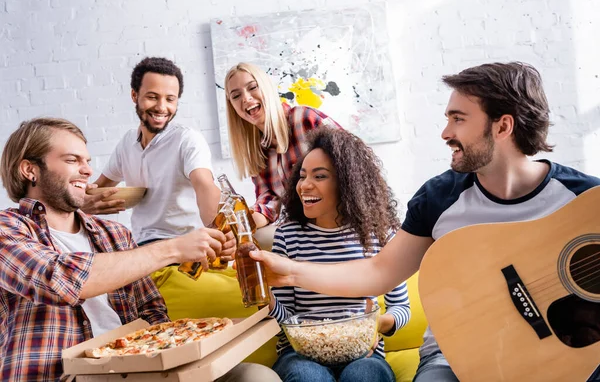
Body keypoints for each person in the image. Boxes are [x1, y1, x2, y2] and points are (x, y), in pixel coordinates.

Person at [248, 62, 600, 381]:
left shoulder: (586, 201)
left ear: (503, 126)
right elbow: (378, 272)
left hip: (563, 358)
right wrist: (290, 272)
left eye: (458, 119)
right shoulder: (438, 198)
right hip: (454, 360)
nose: (445, 132)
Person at [0, 118, 281, 382]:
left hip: (139, 370)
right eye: (72, 160)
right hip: (59, 374)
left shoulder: (114, 235)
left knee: (253, 376)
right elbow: (59, 280)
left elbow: (154, 314)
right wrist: (172, 249)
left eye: (86, 160)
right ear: (29, 169)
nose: (87, 170)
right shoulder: (9, 229)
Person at [268, 127, 410, 382]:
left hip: (363, 353)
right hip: (300, 353)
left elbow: (401, 307)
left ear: (347, 183)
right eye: (302, 176)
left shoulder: (379, 235)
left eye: (319, 176)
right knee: (307, 377)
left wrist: (378, 323)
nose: (305, 185)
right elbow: (286, 316)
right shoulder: (288, 236)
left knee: (364, 376)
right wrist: (265, 301)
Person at [83, 57, 223, 249]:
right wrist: (81, 204)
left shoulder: (187, 139)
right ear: (134, 95)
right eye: (152, 96)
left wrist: (218, 233)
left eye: (170, 99)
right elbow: (99, 189)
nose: (161, 107)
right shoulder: (127, 143)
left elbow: (204, 185)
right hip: (142, 247)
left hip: (186, 246)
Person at [224, 62, 341, 246]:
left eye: (252, 87)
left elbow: (353, 162)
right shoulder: (256, 150)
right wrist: (244, 223)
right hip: (304, 225)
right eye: (236, 96)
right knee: (256, 240)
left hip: (339, 217)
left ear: (266, 88)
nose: (245, 99)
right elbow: (270, 200)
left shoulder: (304, 119)